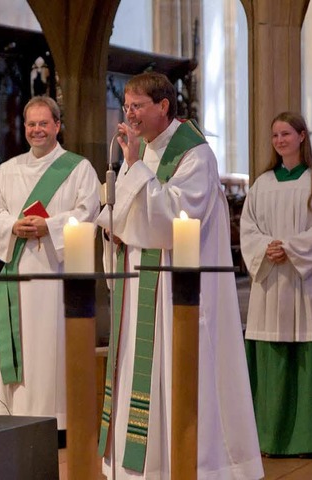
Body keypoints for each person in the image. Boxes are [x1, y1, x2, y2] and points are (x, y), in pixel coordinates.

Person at [96, 72, 263, 479]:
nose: (129, 115)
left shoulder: (195, 154)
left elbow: (173, 219)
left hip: (180, 291)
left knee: (183, 370)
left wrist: (134, 167)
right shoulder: (146, 149)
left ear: (163, 106)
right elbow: (129, 213)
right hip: (142, 286)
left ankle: (198, 463)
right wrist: (111, 226)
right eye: (126, 106)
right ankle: (147, 465)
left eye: (138, 106)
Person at [0, 96, 100, 444]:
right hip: (18, 273)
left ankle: (59, 421)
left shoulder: (78, 168)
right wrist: (13, 226)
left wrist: (50, 226)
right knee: (23, 344)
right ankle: (16, 416)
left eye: (43, 123)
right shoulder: (8, 169)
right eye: (31, 124)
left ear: (57, 125)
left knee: (52, 346)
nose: (37, 130)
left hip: (55, 274)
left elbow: (88, 212)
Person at [240, 111, 312, 456]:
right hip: (271, 279)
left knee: (309, 349)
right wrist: (268, 248)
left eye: (286, 134)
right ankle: (271, 437)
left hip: (305, 281)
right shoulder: (262, 184)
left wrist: (291, 248)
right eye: (275, 135)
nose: (280, 141)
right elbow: (247, 228)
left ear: (302, 137)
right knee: (272, 349)